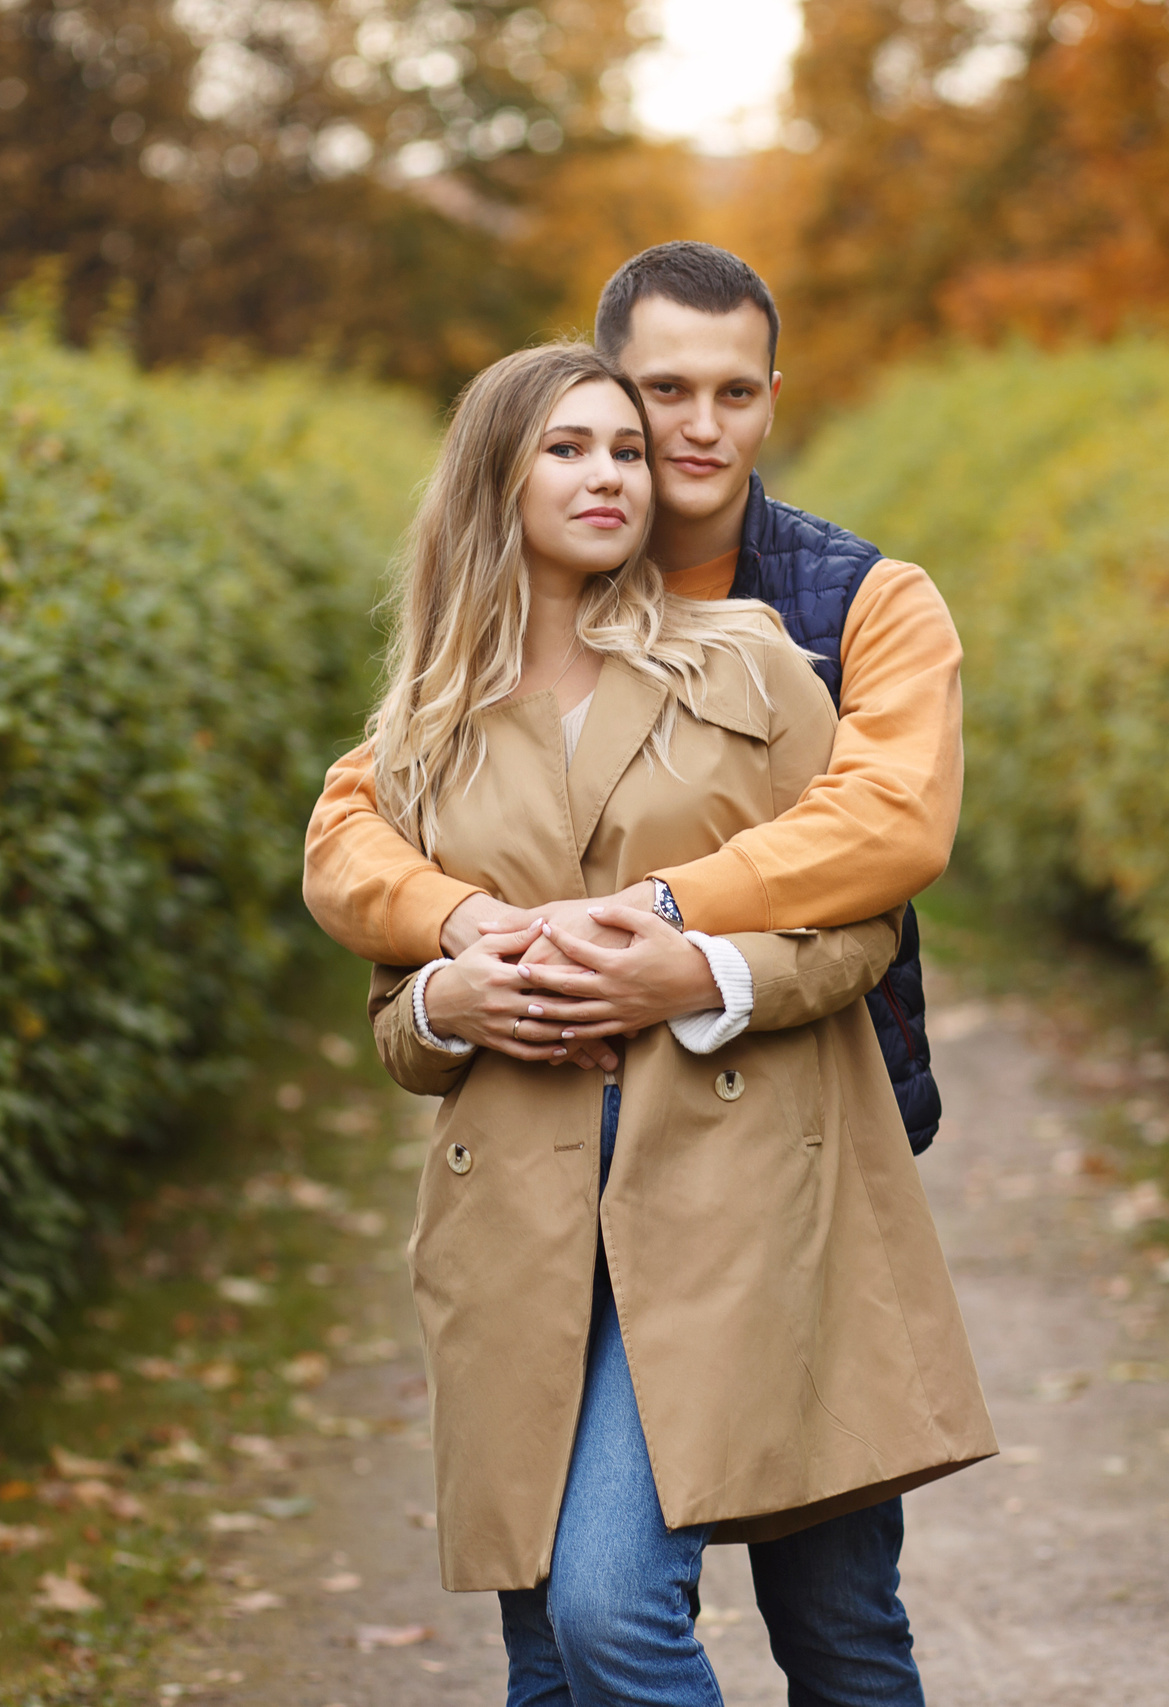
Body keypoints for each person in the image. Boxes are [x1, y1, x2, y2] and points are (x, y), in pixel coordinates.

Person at [304, 243, 967, 1697]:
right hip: (534, 1197)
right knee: (553, 1645)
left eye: (733, 392)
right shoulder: (452, 696)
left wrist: (680, 946)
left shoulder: (822, 620)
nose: (687, 432)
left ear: (773, 398)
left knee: (822, 1614)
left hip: (781, 1157)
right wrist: (449, 959)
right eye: (655, 396)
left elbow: (887, 839)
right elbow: (353, 831)